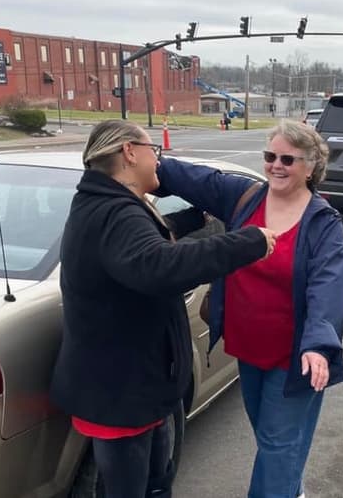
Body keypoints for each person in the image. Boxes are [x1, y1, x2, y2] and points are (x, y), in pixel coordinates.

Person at [50, 120, 277, 498]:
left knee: (157, 484)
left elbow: (132, 251)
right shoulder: (114, 212)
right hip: (122, 394)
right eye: (153, 149)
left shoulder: (109, 203)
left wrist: (189, 221)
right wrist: (248, 242)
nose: (159, 159)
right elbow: (156, 265)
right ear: (129, 151)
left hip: (142, 386)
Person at [156, 119, 343, 498]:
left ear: (310, 167)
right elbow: (198, 180)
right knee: (271, 435)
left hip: (295, 356)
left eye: (288, 159)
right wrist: (147, 158)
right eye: (270, 156)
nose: (276, 165)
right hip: (248, 349)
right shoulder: (245, 198)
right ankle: (290, 491)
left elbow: (327, 287)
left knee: (277, 445)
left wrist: (318, 344)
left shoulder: (323, 223)